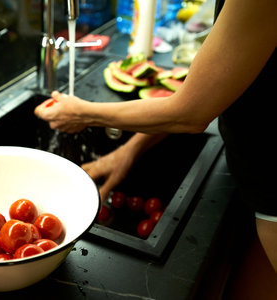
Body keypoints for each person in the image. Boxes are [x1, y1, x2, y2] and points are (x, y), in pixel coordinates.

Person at [34, 0, 277, 291]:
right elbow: (213, 83)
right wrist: (128, 150)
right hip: (259, 186)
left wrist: (83, 113)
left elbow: (191, 112)